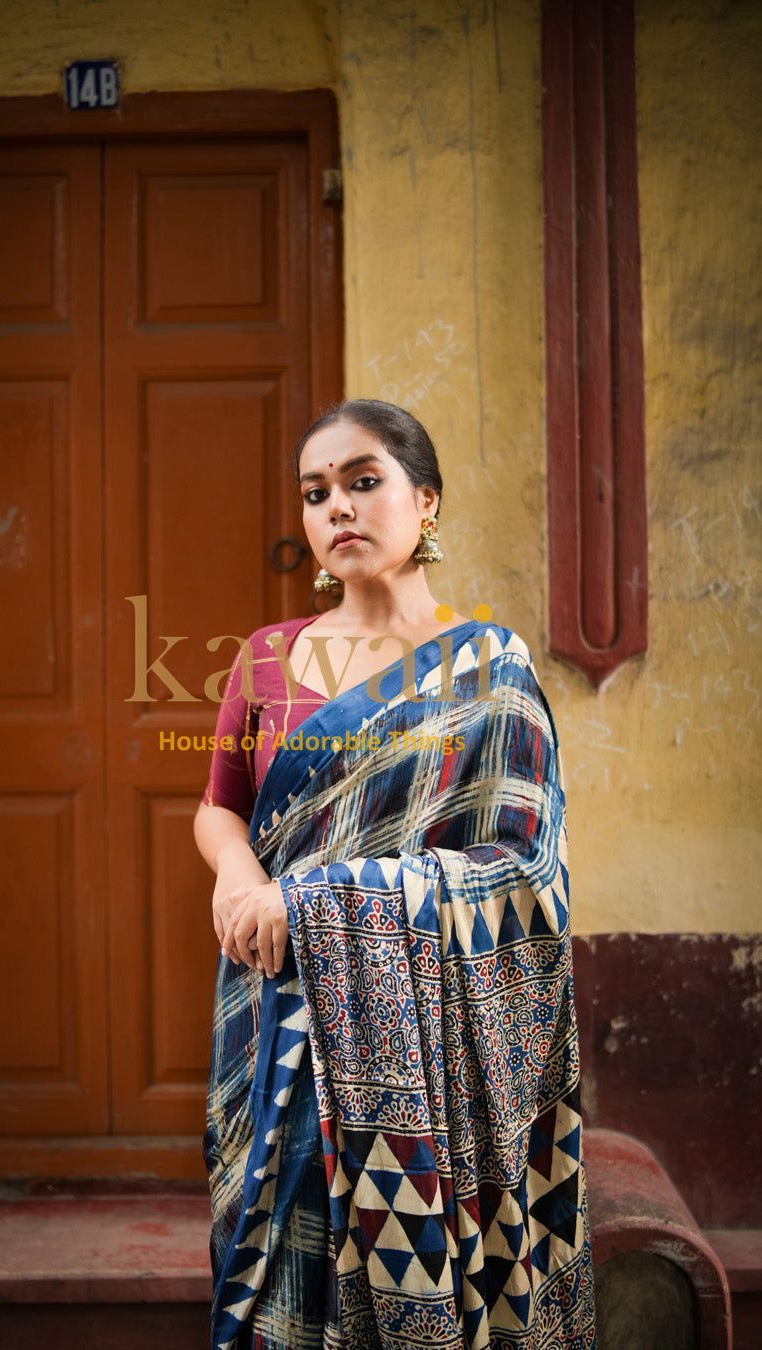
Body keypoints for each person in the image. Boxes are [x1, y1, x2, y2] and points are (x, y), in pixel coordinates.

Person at [193, 399, 597, 1348]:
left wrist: (318, 901)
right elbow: (220, 804)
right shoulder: (266, 658)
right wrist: (239, 875)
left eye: (363, 481)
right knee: (278, 1256)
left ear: (427, 503)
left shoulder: (489, 669)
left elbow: (526, 868)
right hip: (279, 1004)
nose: (337, 507)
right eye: (315, 492)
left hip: (427, 1041)